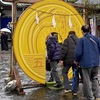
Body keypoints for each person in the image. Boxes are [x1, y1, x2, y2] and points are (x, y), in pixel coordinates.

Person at [74, 24, 100, 100]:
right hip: (96, 63)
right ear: (89, 30)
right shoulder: (96, 39)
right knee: (95, 78)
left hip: (86, 63)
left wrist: (76, 60)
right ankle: (97, 96)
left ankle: (89, 97)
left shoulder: (81, 40)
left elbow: (78, 53)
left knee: (87, 81)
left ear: (82, 31)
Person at [61, 31, 79, 95]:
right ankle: (75, 90)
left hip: (67, 61)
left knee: (64, 72)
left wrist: (62, 59)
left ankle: (67, 87)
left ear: (69, 35)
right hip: (76, 60)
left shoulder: (67, 40)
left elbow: (64, 51)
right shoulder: (79, 40)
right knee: (75, 74)